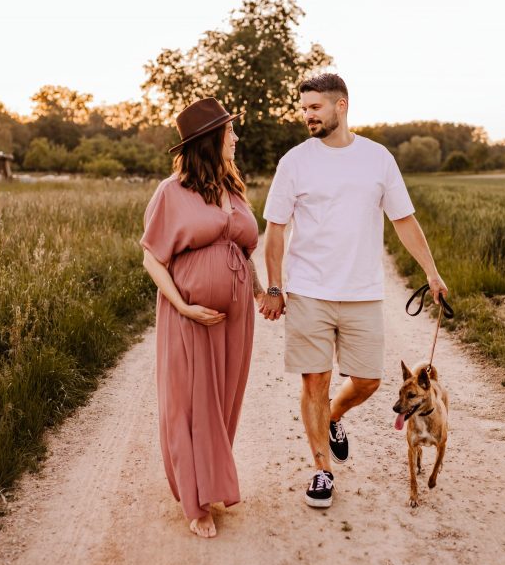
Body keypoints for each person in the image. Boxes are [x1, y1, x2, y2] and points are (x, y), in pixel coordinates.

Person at [259, 74, 448, 508]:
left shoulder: (377, 159)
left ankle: (335, 417)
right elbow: (275, 230)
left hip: (363, 292)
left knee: (368, 380)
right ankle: (322, 471)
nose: (306, 115)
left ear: (340, 106)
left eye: (315, 108)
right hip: (308, 291)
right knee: (315, 383)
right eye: (303, 108)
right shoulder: (294, 162)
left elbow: (404, 220)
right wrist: (275, 285)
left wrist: (432, 274)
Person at [140, 97, 264, 537]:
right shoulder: (170, 192)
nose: (236, 137)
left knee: (223, 403)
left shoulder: (233, 189)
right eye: (230, 132)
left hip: (236, 319)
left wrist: (261, 291)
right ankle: (196, 505)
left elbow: (243, 251)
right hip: (190, 316)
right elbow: (152, 259)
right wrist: (183, 305)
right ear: (212, 140)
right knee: (191, 405)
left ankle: (209, 481)